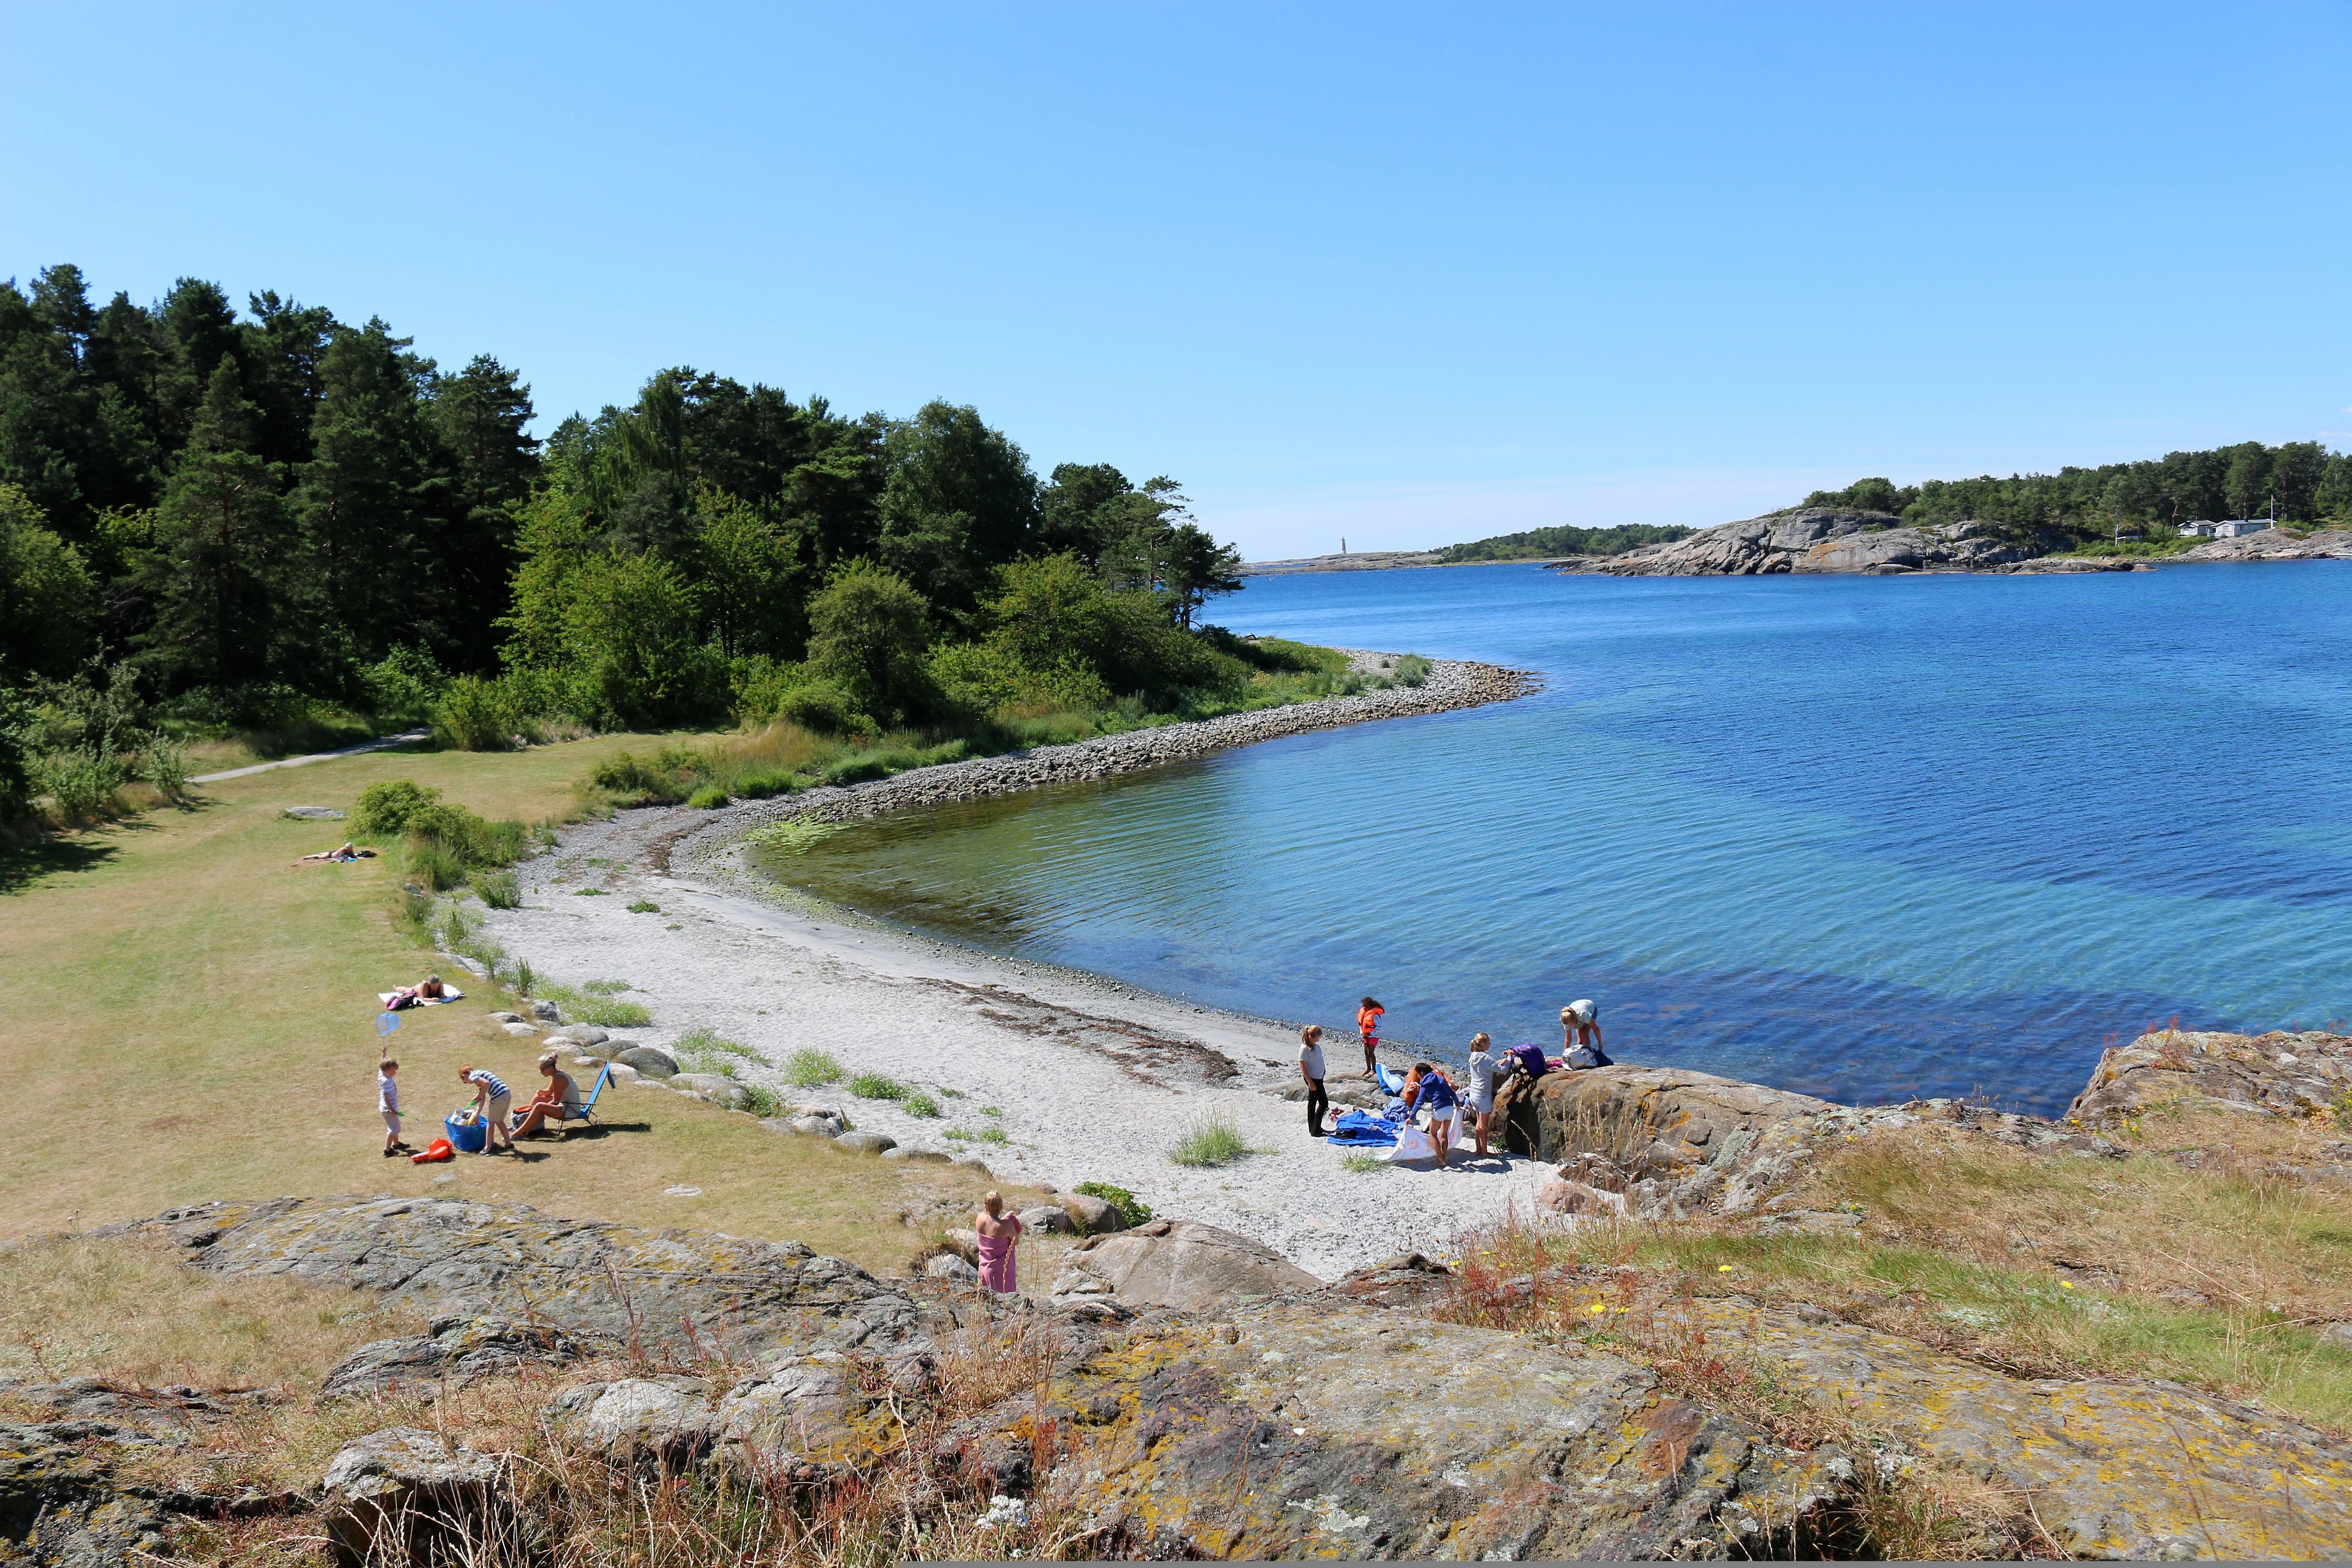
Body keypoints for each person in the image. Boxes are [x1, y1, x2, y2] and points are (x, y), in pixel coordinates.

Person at [510, 1052, 582, 1138]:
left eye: (542, 1069)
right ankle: (524, 1124)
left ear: (551, 1068)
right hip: (566, 1105)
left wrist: (538, 1110)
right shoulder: (557, 1074)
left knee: (539, 1106)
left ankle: (517, 1134)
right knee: (538, 1097)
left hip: (570, 1111)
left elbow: (556, 1101)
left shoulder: (559, 1078)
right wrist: (542, 1093)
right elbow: (550, 1091)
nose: (541, 1072)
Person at [1410, 1060, 1461, 1164]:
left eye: (1418, 1075)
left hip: (1439, 1110)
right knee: (1444, 1134)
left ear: (1422, 1073)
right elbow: (1452, 1093)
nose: (1419, 1077)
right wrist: (1458, 1104)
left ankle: (1441, 1160)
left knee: (1432, 1134)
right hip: (1450, 1108)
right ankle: (1443, 1157)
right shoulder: (1441, 1079)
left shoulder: (1425, 1084)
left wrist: (1412, 1117)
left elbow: (1419, 1102)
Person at [457, 1065, 514, 1154]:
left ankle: (488, 1148)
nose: (467, 1083)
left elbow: (487, 1084)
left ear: (464, 1076)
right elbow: (482, 1098)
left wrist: (479, 1095)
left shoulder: (473, 1077)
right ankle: (509, 1145)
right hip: (506, 1094)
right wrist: (476, 1115)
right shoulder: (479, 1074)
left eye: (464, 1082)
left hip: (498, 1097)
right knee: (499, 1121)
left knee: (491, 1122)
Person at [974, 1191, 1023, 1294]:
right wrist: (1007, 1220)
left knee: (987, 1301)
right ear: (1001, 1207)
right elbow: (1016, 1241)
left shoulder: (980, 1218)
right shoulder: (1007, 1226)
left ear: (986, 1207)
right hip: (1002, 1273)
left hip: (984, 1269)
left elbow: (992, 1224)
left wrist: (1004, 1219)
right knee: (1006, 1303)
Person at [1466, 1032, 1501, 1159]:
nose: (1490, 1044)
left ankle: (1478, 1150)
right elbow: (1502, 1070)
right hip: (1483, 1095)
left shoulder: (1473, 1056)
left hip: (1473, 1093)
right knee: (1484, 1125)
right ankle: (1485, 1152)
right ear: (1484, 1044)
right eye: (1489, 1042)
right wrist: (1509, 1059)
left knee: (1478, 1123)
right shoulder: (1486, 1059)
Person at [1298, 1023, 1330, 1137]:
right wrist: (1311, 1083)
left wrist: (1324, 1070)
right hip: (1313, 1079)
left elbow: (1320, 1059)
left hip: (1319, 1077)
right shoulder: (1304, 1049)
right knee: (1324, 1103)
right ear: (1311, 1037)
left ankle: (1313, 1127)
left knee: (1312, 1102)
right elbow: (1303, 1067)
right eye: (1317, 1039)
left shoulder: (1316, 1046)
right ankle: (1316, 1130)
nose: (1318, 1041)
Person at [378, 1056, 412, 1157]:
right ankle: (387, 1150)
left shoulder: (382, 1075)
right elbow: (386, 1097)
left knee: (394, 1127)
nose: (395, 1073)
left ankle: (397, 1144)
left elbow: (381, 1066)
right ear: (387, 1070)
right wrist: (391, 1109)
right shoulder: (387, 1082)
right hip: (389, 1110)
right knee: (394, 1129)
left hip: (386, 1109)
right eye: (393, 1071)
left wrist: (384, 1054)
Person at [1562, 1000, 1609, 1067]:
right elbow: (1568, 1039)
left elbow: (1596, 1029)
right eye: (1569, 1026)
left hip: (1591, 1009)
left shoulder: (1583, 1014)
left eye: (1572, 1025)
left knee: (1584, 1034)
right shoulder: (1566, 1020)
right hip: (1577, 1010)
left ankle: (1589, 1058)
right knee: (1580, 1041)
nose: (1571, 1027)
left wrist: (1601, 1047)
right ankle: (1582, 1058)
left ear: (1575, 1020)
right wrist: (1565, 1055)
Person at [1356, 996, 1385, 1078]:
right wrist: (1363, 1033)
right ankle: (1368, 1068)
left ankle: (1373, 1069)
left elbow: (1378, 1026)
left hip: (1373, 1036)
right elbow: (1361, 1025)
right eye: (1363, 1006)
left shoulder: (1375, 1015)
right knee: (1366, 1052)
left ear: (1370, 1006)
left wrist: (1370, 1033)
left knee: (1371, 1053)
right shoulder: (1364, 1013)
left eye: (1366, 1006)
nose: (1364, 1008)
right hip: (1365, 1035)